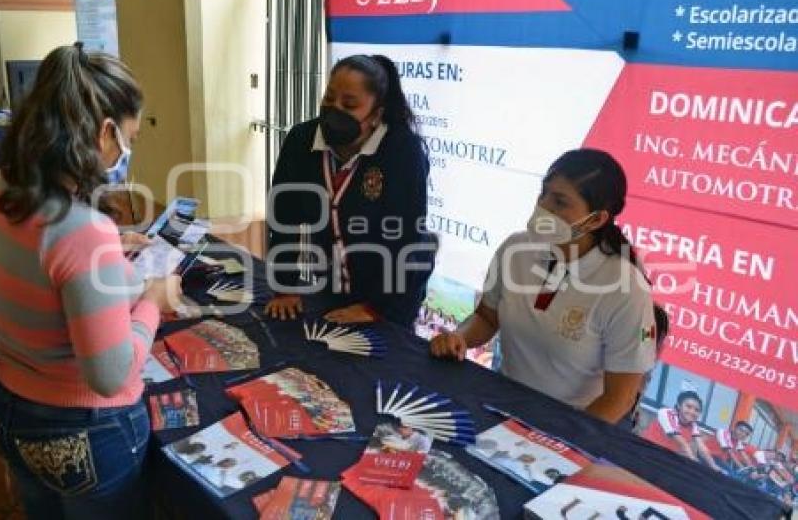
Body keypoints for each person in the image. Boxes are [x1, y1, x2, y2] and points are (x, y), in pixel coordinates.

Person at [0, 44, 182, 519]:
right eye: (130, 135)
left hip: (12, 407)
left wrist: (110, 250)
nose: (129, 148)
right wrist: (152, 299)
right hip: (83, 432)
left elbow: (37, 270)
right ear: (106, 132)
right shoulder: (83, 231)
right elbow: (110, 376)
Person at [430, 149, 656, 423]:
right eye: (543, 194)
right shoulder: (516, 249)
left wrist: (560, 442)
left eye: (560, 201)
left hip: (571, 427)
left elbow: (619, 398)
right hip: (501, 408)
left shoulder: (625, 289)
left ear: (597, 219)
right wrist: (459, 338)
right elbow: (487, 318)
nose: (544, 207)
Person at [264, 54, 432, 327]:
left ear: (376, 114)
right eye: (329, 99)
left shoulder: (402, 152)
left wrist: (376, 308)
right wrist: (285, 287)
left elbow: (406, 238)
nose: (334, 110)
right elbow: (284, 220)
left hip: (393, 293)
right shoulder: (301, 142)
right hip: (330, 285)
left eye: (349, 104)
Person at [641, 391, 721, 471]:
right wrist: (693, 459)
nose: (692, 412)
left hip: (666, 458)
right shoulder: (666, 413)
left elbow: (702, 447)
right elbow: (680, 440)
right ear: (679, 406)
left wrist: (714, 466)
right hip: (647, 450)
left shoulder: (693, 425)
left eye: (697, 410)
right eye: (688, 407)